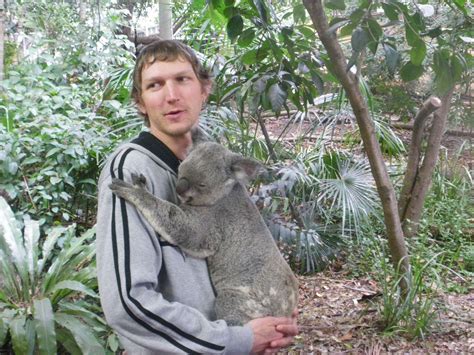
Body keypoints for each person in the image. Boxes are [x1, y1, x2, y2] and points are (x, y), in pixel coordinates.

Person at [96, 39, 298, 354]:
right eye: (155, 85)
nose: (171, 95)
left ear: (204, 90)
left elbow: (241, 241)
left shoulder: (214, 159)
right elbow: (128, 302)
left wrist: (275, 308)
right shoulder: (131, 169)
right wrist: (236, 340)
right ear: (140, 101)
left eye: (182, 79)